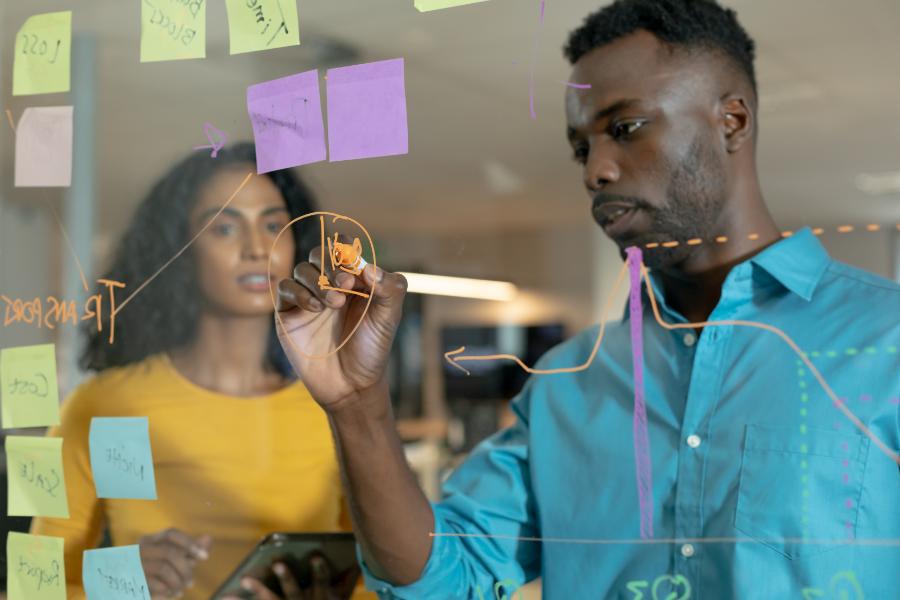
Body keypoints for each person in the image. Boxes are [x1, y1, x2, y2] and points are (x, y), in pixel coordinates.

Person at [273, 0, 900, 598]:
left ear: (730, 120)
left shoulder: (885, 339)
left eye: (624, 129)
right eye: (581, 148)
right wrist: (358, 409)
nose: (594, 170)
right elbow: (443, 580)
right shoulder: (567, 385)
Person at [31, 143, 370, 600]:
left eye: (273, 224)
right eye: (224, 227)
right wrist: (116, 584)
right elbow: (31, 585)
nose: (257, 248)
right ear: (181, 250)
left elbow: (383, 578)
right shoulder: (104, 406)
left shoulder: (332, 407)